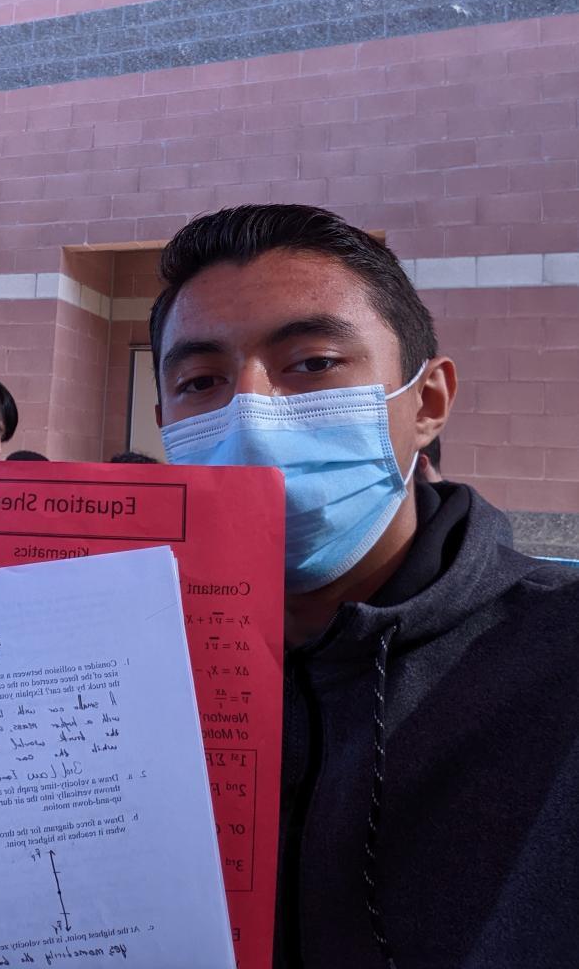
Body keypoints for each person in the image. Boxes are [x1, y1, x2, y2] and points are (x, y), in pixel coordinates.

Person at [150, 203, 579, 968]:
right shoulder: (125, 662)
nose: (252, 419)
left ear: (428, 403)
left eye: (313, 364)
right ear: (163, 421)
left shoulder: (561, 658)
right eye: (202, 381)